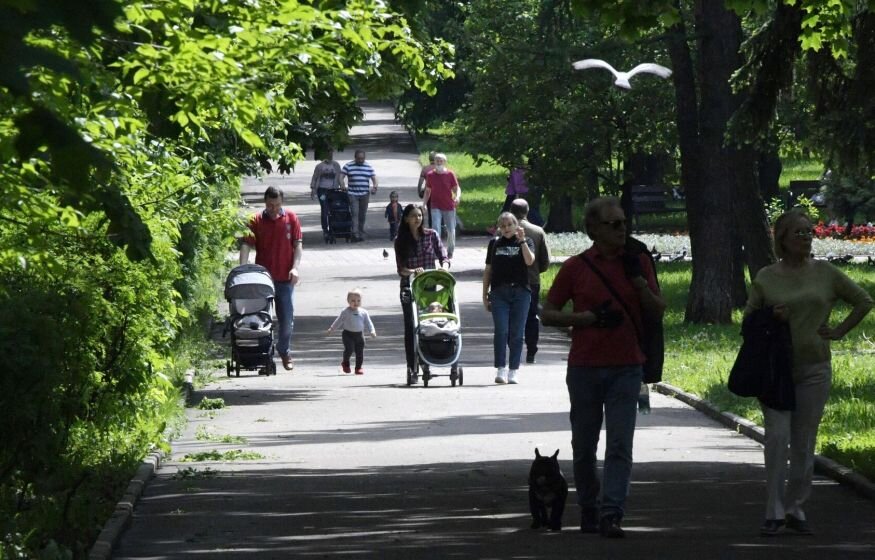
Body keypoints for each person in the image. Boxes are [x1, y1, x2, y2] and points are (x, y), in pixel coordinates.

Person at [541, 197, 665, 538]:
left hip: (628, 367)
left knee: (620, 444)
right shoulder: (577, 267)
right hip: (585, 368)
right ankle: (589, 507)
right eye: (613, 224)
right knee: (584, 447)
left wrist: (638, 281)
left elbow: (658, 310)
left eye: (624, 222)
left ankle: (612, 513)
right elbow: (547, 312)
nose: (622, 229)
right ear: (593, 229)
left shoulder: (638, 262)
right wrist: (582, 319)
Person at [745, 209, 872, 537]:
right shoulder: (766, 277)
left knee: (803, 443)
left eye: (808, 231)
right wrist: (772, 316)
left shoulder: (825, 272)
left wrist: (840, 331)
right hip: (775, 372)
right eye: (798, 232)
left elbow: (863, 301)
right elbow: (748, 323)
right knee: (777, 438)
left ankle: (795, 507)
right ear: (782, 239)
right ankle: (772, 510)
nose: (806, 237)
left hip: (815, 369)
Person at [240, 186, 303, 371]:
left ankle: (284, 350)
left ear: (282, 203)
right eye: (269, 205)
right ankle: (264, 356)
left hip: (285, 278)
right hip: (262, 280)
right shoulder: (256, 220)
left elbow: (298, 245)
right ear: (265, 203)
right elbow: (246, 246)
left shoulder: (291, 218)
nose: (273, 209)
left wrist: (295, 268)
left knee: (287, 321)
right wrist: (243, 269)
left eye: (276, 205)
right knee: (260, 320)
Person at [394, 203, 450, 382]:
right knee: (411, 326)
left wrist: (444, 267)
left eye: (419, 215)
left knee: (429, 323)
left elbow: (444, 256)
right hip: (409, 287)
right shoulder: (400, 240)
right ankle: (412, 367)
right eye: (413, 216)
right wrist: (412, 271)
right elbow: (401, 269)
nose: (417, 219)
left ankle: (428, 360)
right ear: (406, 219)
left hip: (429, 285)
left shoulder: (431, 235)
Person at [482, 212, 535, 385]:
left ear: (516, 225)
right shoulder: (495, 243)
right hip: (499, 292)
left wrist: (522, 241)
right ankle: (501, 368)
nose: (505, 229)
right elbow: (488, 270)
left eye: (509, 225)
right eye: (502, 226)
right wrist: (485, 295)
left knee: (517, 333)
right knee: (501, 330)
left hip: (521, 292)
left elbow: (529, 261)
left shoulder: (526, 242)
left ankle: (513, 370)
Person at [510, 199, 551, 364]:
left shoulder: (504, 230)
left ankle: (514, 350)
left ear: (512, 212)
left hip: (510, 281)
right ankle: (531, 351)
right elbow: (545, 261)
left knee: (512, 316)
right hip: (531, 280)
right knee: (531, 316)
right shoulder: (538, 231)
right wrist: (535, 270)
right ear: (527, 212)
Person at [326, 288, 377, 375]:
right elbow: (338, 321)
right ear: (348, 301)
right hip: (348, 334)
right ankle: (345, 363)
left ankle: (358, 368)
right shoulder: (345, 312)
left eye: (358, 300)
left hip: (360, 335)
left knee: (359, 352)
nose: (356, 303)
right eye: (353, 300)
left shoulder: (364, 312)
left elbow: (368, 322)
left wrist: (372, 331)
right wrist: (332, 329)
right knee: (349, 349)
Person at [422, 153, 460, 259]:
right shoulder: (430, 175)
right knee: (435, 229)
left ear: (444, 162)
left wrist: (457, 197)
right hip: (435, 206)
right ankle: (436, 250)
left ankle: (450, 251)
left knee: (451, 230)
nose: (438, 162)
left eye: (441, 161)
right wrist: (424, 204)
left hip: (449, 206)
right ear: (434, 162)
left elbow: (457, 189)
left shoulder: (450, 174)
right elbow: (427, 191)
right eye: (437, 160)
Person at [342, 149, 378, 242]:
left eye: (362, 158)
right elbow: (340, 176)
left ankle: (361, 232)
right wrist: (342, 185)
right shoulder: (348, 166)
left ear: (364, 158)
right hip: (352, 194)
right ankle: (355, 234)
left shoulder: (368, 166)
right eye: (358, 158)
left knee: (362, 214)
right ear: (355, 158)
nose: (360, 160)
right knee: (355, 213)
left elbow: (374, 178)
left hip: (364, 194)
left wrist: (375, 187)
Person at [310, 149, 342, 242]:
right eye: (328, 152)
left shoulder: (336, 165)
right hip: (322, 191)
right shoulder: (319, 166)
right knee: (324, 209)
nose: (330, 154)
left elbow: (339, 177)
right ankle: (325, 229)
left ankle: (334, 227)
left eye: (331, 152)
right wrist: (313, 189)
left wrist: (342, 186)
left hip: (333, 190)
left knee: (334, 209)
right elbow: (315, 177)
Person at [417, 151, 437, 227]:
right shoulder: (439, 168)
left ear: (429, 159)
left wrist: (419, 191)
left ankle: (431, 227)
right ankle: (441, 226)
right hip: (439, 193)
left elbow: (420, 182)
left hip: (429, 193)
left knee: (430, 211)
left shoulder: (425, 169)